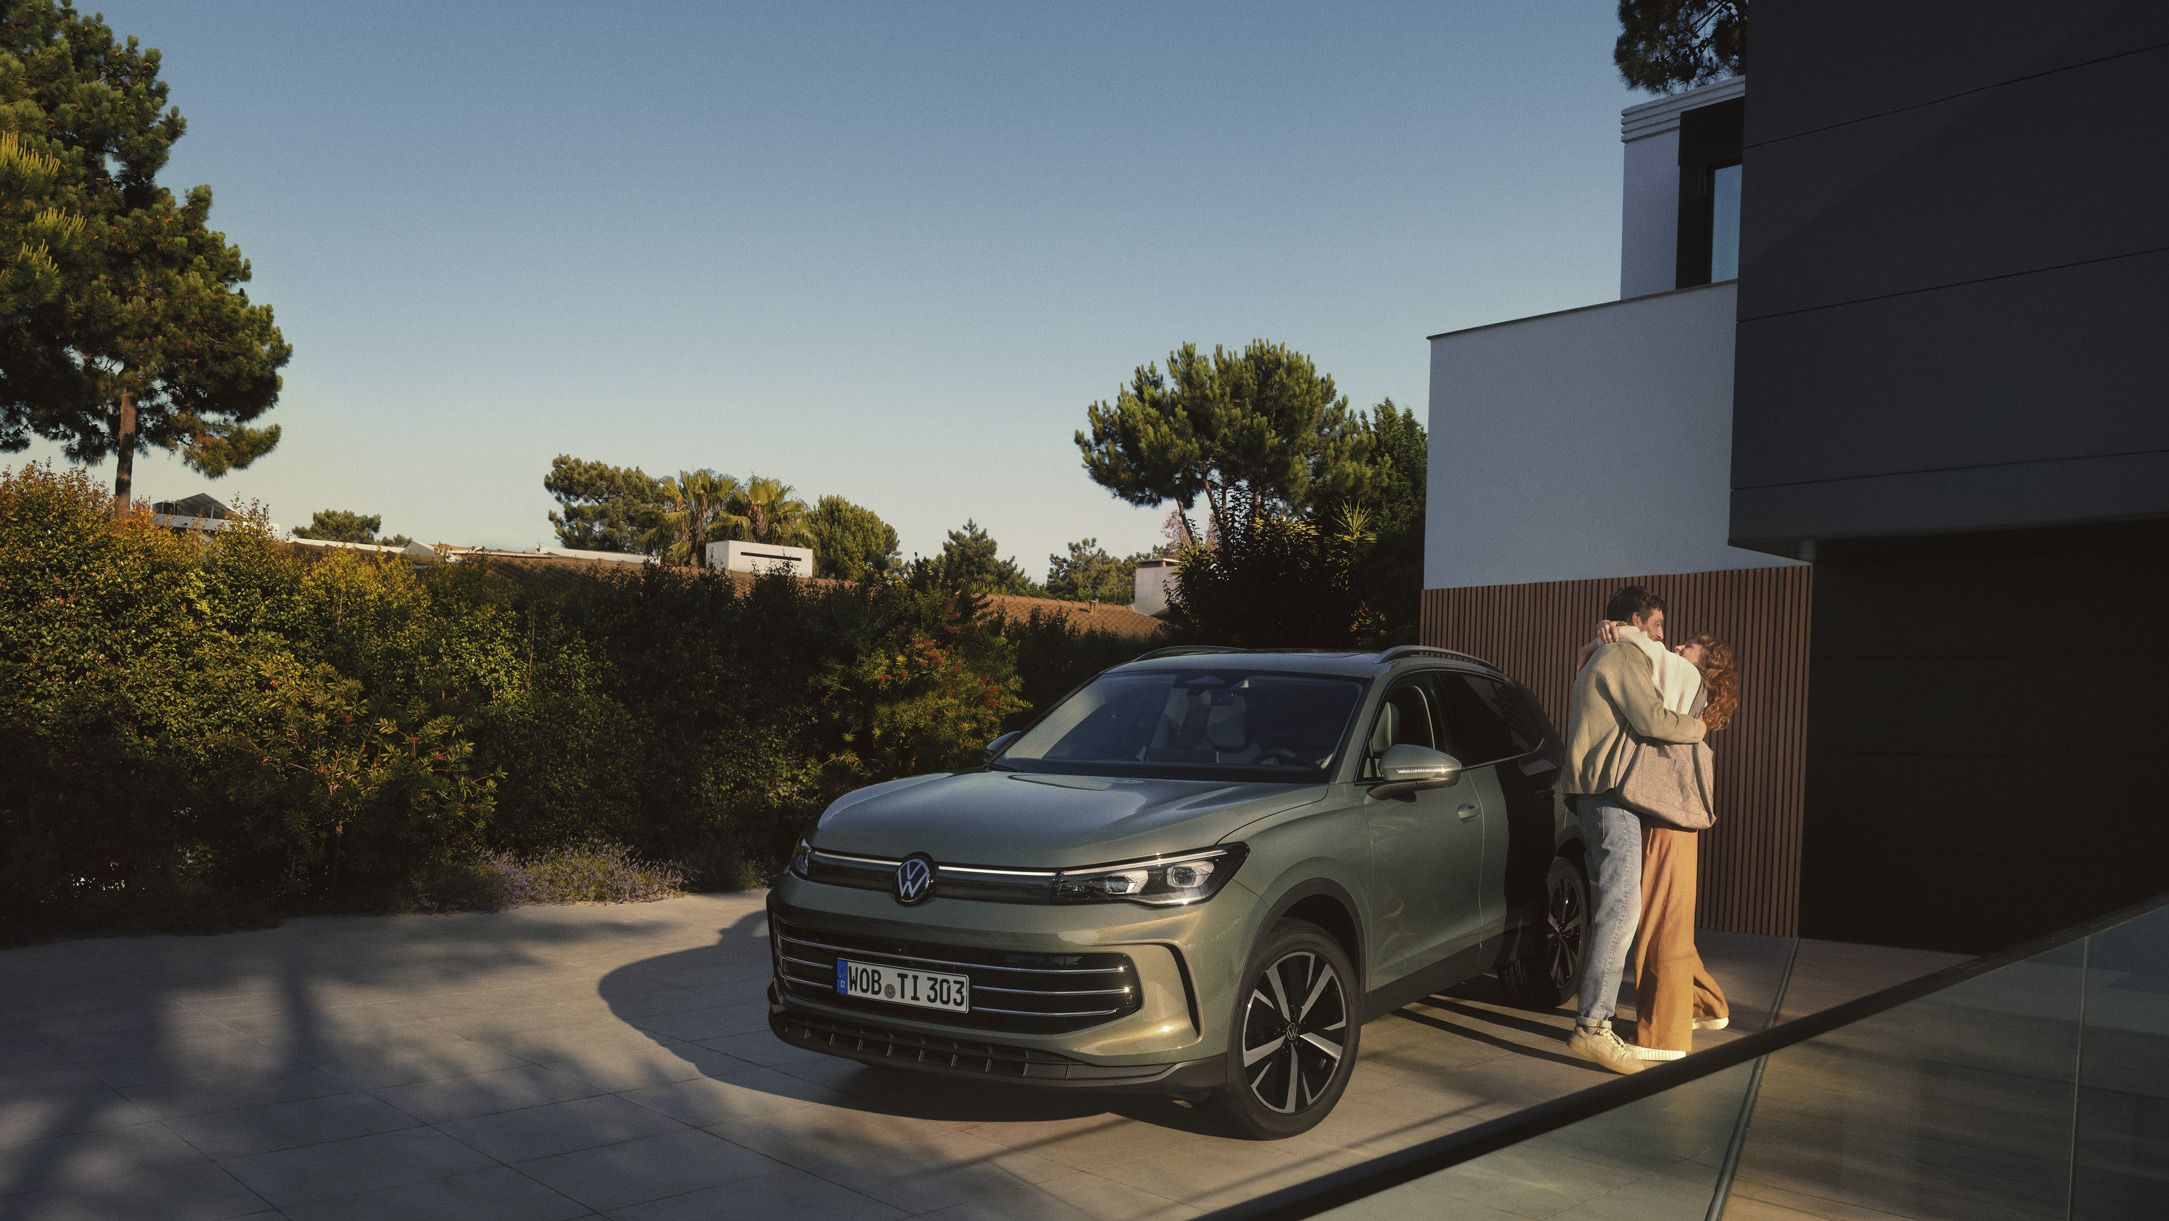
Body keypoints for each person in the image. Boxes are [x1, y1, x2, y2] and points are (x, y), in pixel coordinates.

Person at [1561, 585, 1709, 1076]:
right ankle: (1593, 1027)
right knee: (1620, 908)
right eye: (1659, 626)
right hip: (1608, 793)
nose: (1663, 638)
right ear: (1635, 620)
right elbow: (1651, 720)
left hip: (1600, 793)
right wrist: (1698, 730)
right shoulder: (1624, 653)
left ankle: (1595, 1022)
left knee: (1619, 905)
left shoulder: (1607, 652)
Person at [1624, 633, 1736, 1061]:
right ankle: (1702, 1004)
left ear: (1704, 665)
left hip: (1667, 815)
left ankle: (1663, 1038)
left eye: (1689, 646)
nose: (1677, 649)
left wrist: (1621, 632)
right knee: (1672, 917)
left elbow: (1650, 656)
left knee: (1659, 923)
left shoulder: (1687, 676)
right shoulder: (1697, 687)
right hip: (1677, 818)